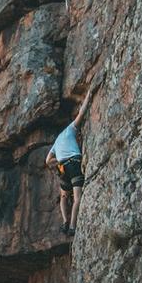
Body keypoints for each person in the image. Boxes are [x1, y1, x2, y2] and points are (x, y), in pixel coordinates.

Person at [45, 85, 96, 235]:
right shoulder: (71, 129)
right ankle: (73, 227)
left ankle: (65, 220)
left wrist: (57, 162)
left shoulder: (56, 142)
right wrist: (89, 94)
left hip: (62, 168)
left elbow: (47, 161)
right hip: (74, 163)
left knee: (63, 196)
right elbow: (82, 112)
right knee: (77, 198)